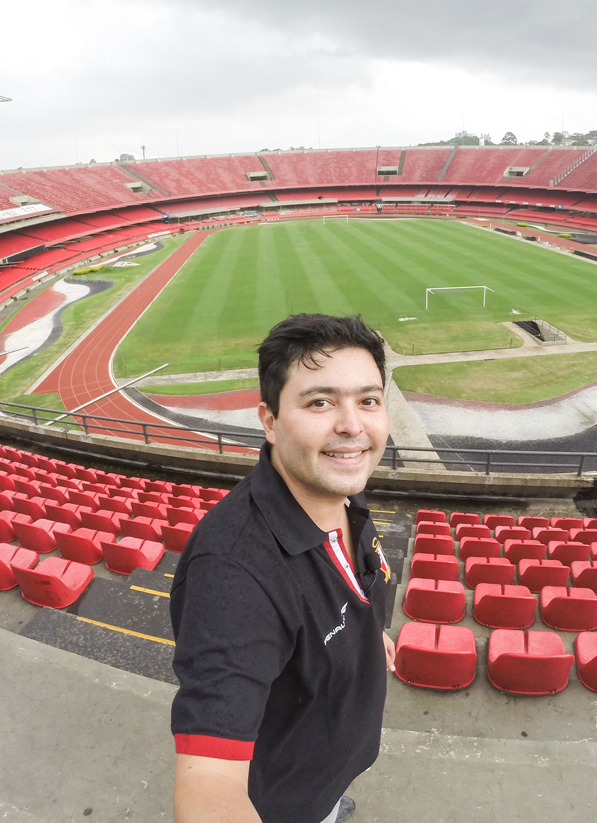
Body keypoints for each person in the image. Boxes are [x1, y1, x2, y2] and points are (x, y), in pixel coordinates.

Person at [170, 313, 397, 823]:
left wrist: (369, 629)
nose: (352, 425)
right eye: (320, 402)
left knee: (331, 798)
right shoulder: (232, 573)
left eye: (368, 400)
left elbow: (345, 588)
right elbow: (208, 781)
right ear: (269, 422)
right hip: (286, 801)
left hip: (333, 758)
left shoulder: (340, 489)